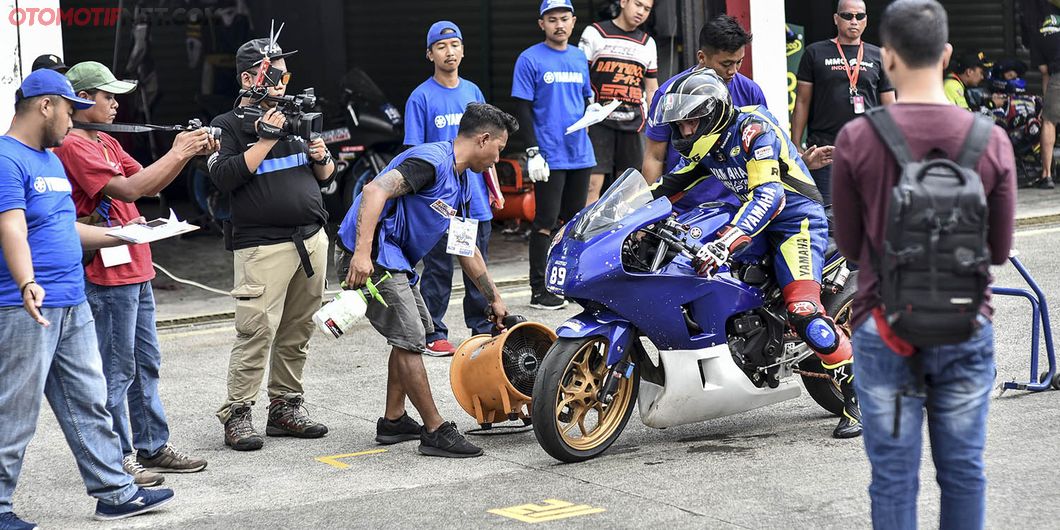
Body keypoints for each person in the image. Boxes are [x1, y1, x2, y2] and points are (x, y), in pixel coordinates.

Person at [831, 2, 1016, 527]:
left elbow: (847, 247)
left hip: (883, 328)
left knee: (892, 478)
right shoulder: (991, 139)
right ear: (947, 55)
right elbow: (998, 251)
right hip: (964, 327)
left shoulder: (857, 138)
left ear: (885, 59)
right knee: (963, 473)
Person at [0, 69, 175, 528]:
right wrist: (25, 281)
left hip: (72, 299)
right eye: (69, 110)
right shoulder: (6, 158)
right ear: (46, 105)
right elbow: (11, 225)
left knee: (88, 401)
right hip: (26, 306)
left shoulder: (50, 160)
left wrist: (123, 236)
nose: (73, 120)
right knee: (16, 412)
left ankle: (115, 493)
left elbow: (63, 228)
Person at [650, 69, 861, 439]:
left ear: (713, 112)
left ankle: (858, 397)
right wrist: (611, 215)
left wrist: (725, 241)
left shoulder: (753, 129)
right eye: (680, 126)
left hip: (795, 221)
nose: (685, 132)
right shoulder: (707, 144)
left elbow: (771, 196)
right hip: (753, 219)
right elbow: (665, 187)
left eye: (691, 122)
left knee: (803, 311)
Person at [51, 61, 212, 486]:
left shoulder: (102, 139)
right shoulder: (75, 145)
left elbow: (150, 184)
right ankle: (118, 455)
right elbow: (127, 190)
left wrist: (187, 153)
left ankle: (152, 445)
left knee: (146, 363)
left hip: (134, 264)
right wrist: (179, 151)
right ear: (81, 100)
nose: (115, 102)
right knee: (116, 368)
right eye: (107, 96)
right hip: (106, 273)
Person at [335, 102, 516, 458]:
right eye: (499, 148)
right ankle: (434, 429)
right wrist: (361, 253)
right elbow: (374, 191)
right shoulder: (430, 161)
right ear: (483, 139)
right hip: (372, 258)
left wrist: (492, 296)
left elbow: (465, 247)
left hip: (394, 260)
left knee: (413, 329)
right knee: (411, 337)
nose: (498, 158)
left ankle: (394, 420)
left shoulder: (460, 181)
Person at [207, 36, 336, 451]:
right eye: (274, 72)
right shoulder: (226, 126)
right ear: (249, 78)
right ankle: (238, 412)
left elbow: (327, 179)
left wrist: (320, 156)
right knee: (255, 331)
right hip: (262, 246)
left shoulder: (296, 118)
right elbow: (224, 178)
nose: (282, 80)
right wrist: (263, 138)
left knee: (298, 329)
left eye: (285, 73)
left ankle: (285, 406)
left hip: (311, 240)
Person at [404, 21, 493, 357]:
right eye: (441, 47)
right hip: (440, 203)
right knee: (439, 269)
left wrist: (492, 189)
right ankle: (434, 332)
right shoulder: (421, 97)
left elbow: (488, 146)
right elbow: (412, 154)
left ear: (463, 50)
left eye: (455, 44)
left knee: (476, 268)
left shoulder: (473, 92)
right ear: (430, 54)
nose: (449, 51)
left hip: (475, 201)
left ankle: (481, 330)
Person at [514, 0, 597, 310]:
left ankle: (570, 283)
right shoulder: (529, 59)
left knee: (575, 223)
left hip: (581, 153)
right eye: (552, 19)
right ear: (541, 24)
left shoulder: (579, 57)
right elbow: (522, 107)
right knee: (546, 221)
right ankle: (539, 290)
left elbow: (586, 98)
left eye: (564, 18)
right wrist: (532, 150)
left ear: (573, 22)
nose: (559, 24)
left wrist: (595, 111)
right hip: (549, 154)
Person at [792, 0, 895, 204]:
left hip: (868, 149)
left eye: (860, 16)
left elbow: (890, 105)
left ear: (866, 20)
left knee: (871, 212)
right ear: (836, 19)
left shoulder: (879, 55)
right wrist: (795, 145)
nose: (854, 21)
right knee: (831, 217)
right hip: (825, 150)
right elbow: (802, 101)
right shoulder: (815, 53)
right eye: (847, 16)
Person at [643, 15, 766, 188]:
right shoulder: (668, 94)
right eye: (726, 63)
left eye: (739, 62)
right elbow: (654, 157)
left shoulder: (751, 91)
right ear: (702, 57)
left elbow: (762, 150)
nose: (733, 71)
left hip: (737, 206)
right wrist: (652, 209)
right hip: (683, 206)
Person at [580, 0, 657, 204]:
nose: (641, 12)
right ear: (624, 2)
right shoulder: (594, 33)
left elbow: (651, 88)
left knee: (629, 191)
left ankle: (623, 236)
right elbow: (580, 79)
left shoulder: (647, 43)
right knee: (591, 185)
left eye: (647, 9)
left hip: (634, 123)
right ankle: (586, 236)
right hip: (598, 122)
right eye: (638, 4)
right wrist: (582, 117)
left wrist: (655, 125)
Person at [1036, 6, 1060, 188]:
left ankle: (1047, 175)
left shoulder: (1039, 37)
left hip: (1057, 77)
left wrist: (1046, 103)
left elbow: (1044, 72)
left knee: (1049, 121)